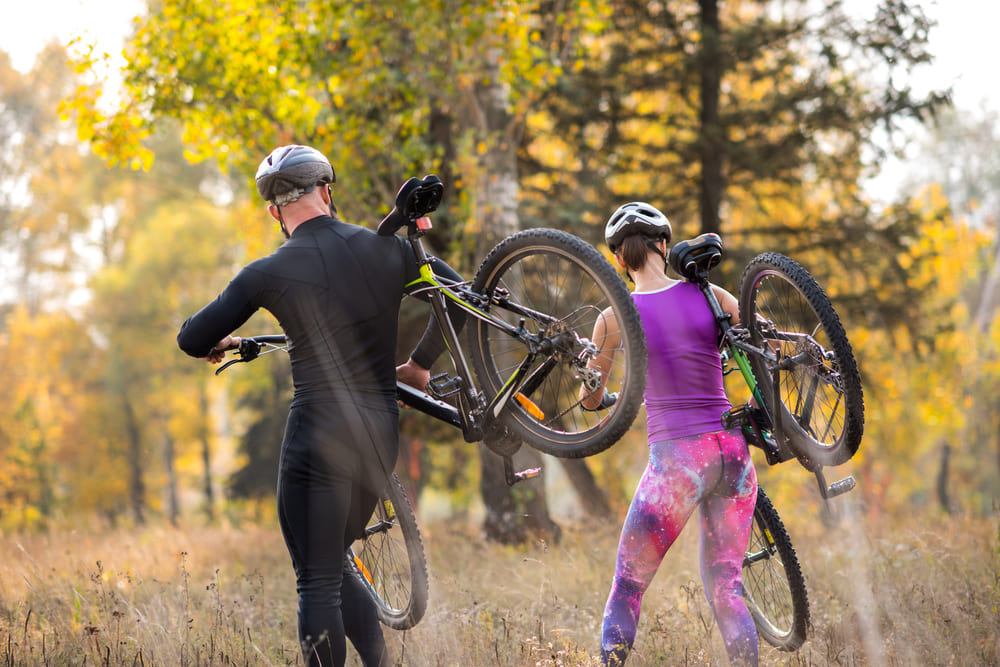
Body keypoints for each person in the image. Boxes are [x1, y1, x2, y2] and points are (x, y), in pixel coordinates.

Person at [177, 145, 462, 667]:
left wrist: (222, 342)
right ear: (328, 193)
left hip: (318, 435)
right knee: (335, 563)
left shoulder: (267, 272)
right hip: (379, 437)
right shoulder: (393, 251)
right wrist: (419, 364)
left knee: (317, 578)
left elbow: (192, 338)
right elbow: (463, 300)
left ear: (273, 213)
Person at [583, 202, 759, 666]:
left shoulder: (611, 318)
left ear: (620, 260)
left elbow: (588, 398)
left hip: (678, 462)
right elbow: (761, 348)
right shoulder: (711, 295)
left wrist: (592, 385)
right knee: (726, 586)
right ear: (664, 245)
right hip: (734, 453)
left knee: (628, 586)